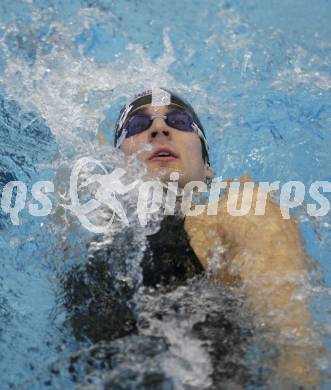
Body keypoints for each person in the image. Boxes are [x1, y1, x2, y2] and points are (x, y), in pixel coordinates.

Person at [113, 87, 321, 388]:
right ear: (116, 166)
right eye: (137, 126)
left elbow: (294, 347)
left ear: (207, 168)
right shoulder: (93, 233)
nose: (159, 128)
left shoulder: (239, 210)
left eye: (179, 121)